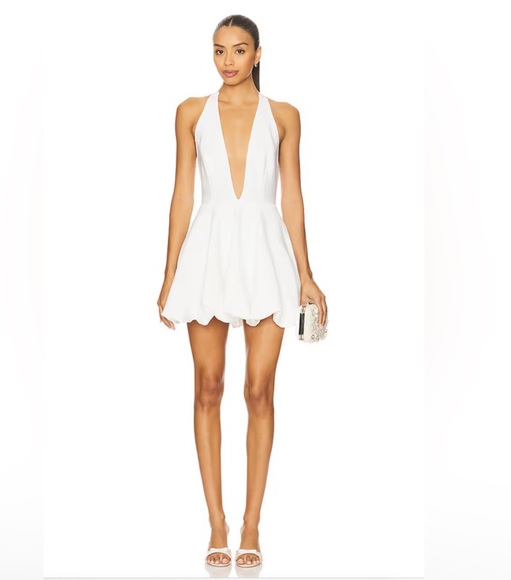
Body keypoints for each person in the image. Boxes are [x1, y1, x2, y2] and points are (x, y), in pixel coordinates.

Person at [157, 14, 327, 568]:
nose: (227, 60)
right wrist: (169, 273)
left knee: (259, 391)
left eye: (238, 49)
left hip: (265, 254)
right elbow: (183, 195)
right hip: (207, 253)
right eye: (218, 50)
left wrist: (306, 273)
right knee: (208, 387)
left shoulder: (285, 115)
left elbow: (292, 197)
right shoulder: (190, 112)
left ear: (257, 53)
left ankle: (252, 524)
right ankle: (217, 522)